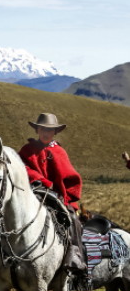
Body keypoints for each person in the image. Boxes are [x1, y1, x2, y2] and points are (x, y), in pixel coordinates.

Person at [18, 113, 86, 275]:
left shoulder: (60, 152)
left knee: (73, 220)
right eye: (42, 129)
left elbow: (70, 176)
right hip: (33, 192)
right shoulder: (27, 150)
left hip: (57, 196)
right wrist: (42, 180)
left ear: (55, 132)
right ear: (37, 130)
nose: (46, 133)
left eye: (49, 130)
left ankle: (75, 256)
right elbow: (22, 168)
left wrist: (62, 192)